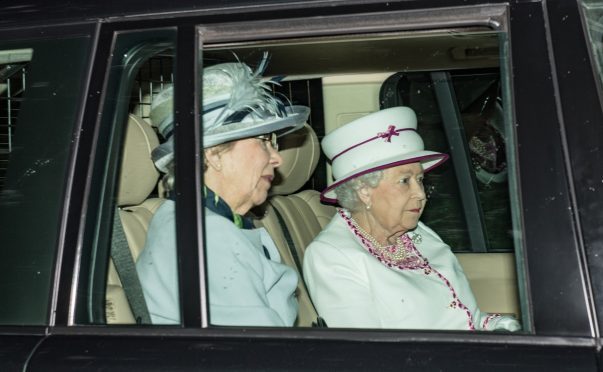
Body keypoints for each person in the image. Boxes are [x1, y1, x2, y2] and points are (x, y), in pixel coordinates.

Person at [302, 107, 521, 331]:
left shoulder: (419, 233)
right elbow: (367, 354)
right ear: (364, 191)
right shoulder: (332, 256)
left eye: (420, 179)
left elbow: (463, 318)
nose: (421, 194)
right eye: (405, 181)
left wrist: (502, 326)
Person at [136, 57, 310, 326]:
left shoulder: (198, 222)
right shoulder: (207, 235)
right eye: (264, 142)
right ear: (214, 155)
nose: (277, 158)